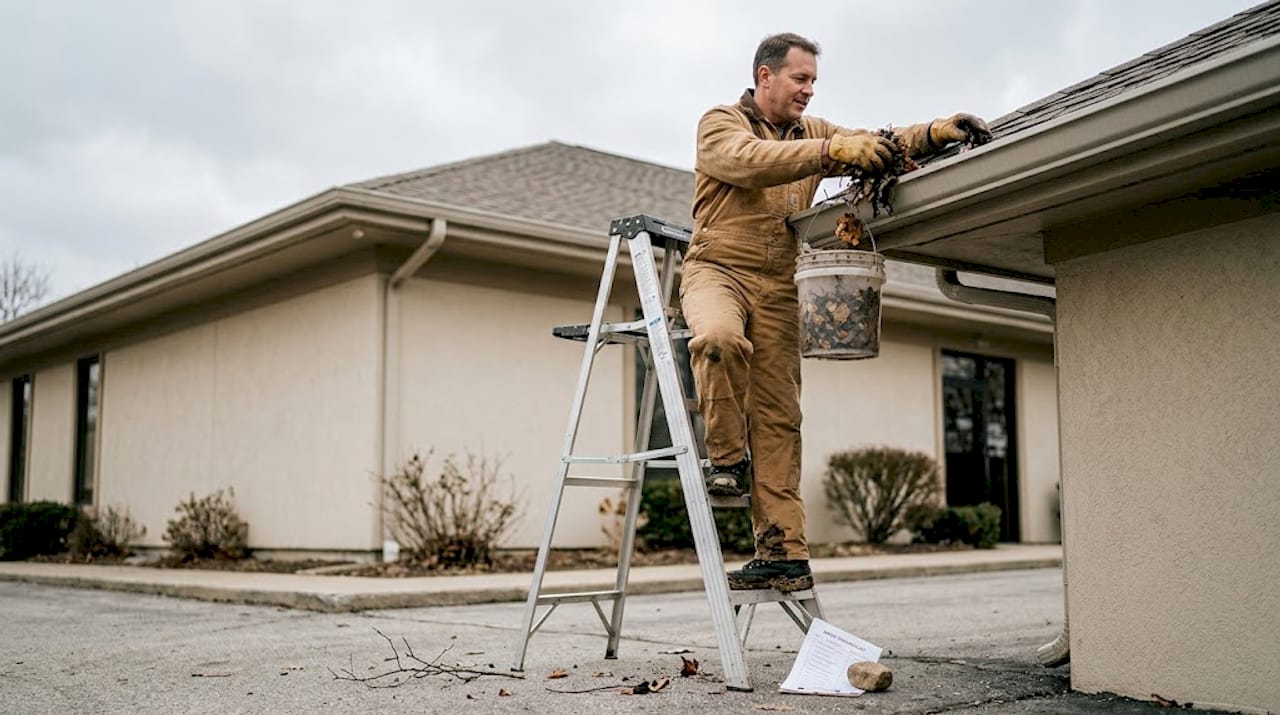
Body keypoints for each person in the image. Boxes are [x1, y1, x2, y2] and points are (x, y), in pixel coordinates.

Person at [682, 32, 991, 592]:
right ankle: (726, 461)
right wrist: (829, 155)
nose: (808, 91)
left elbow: (871, 140)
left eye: (814, 83)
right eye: (800, 79)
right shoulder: (721, 123)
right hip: (717, 269)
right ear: (766, 76)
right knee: (719, 341)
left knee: (779, 419)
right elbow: (749, 163)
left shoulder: (816, 133)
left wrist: (933, 132)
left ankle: (782, 552)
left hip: (780, 285)